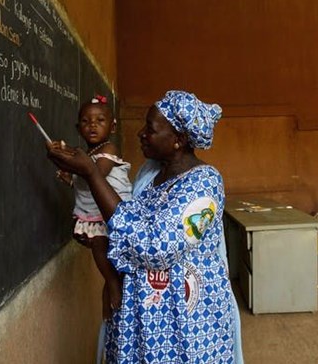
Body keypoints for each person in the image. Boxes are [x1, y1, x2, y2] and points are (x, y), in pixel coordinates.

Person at [47, 90, 235, 363]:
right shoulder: (152, 175)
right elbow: (126, 225)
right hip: (140, 317)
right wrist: (109, 271)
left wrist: (90, 172)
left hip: (183, 320)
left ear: (178, 140)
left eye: (151, 128)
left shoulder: (204, 184)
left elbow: (155, 249)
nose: (141, 134)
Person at [60, 95, 132, 320]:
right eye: (86, 121)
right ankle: (112, 283)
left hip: (112, 212)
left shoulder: (109, 148)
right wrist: (69, 176)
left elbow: (96, 174)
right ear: (77, 127)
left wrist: (67, 159)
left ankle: (113, 284)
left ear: (112, 127)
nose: (92, 125)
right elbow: (83, 182)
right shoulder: (86, 153)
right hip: (94, 212)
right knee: (100, 248)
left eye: (100, 120)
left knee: (105, 247)